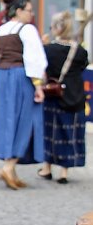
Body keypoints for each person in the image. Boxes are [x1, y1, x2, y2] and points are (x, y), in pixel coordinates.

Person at [0, 0, 47, 189]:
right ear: (19, 11)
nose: (32, 14)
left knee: (7, 120)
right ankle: (8, 166)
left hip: (3, 76)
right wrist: (38, 85)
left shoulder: (1, 30)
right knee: (24, 120)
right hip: (21, 77)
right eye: (29, 10)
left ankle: (11, 169)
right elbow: (34, 59)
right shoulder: (27, 29)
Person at [38, 11, 87, 184]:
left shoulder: (48, 49)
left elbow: (42, 69)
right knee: (69, 133)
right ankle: (64, 172)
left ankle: (47, 168)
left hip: (53, 95)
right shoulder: (80, 51)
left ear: (57, 28)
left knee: (50, 132)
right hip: (74, 95)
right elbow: (82, 68)